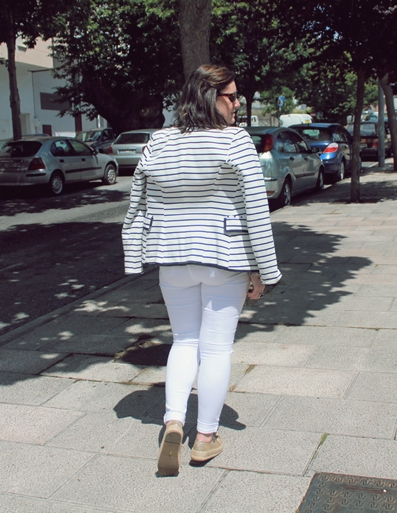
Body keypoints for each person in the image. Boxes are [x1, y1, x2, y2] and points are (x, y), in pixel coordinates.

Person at [122, 64, 281, 476]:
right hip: (223, 258)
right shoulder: (235, 141)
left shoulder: (159, 141)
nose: (238, 103)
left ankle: (174, 421)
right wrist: (265, 270)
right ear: (211, 97)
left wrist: (134, 253)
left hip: (172, 259)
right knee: (215, 350)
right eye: (232, 96)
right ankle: (205, 437)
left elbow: (137, 202)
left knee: (183, 341)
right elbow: (256, 210)